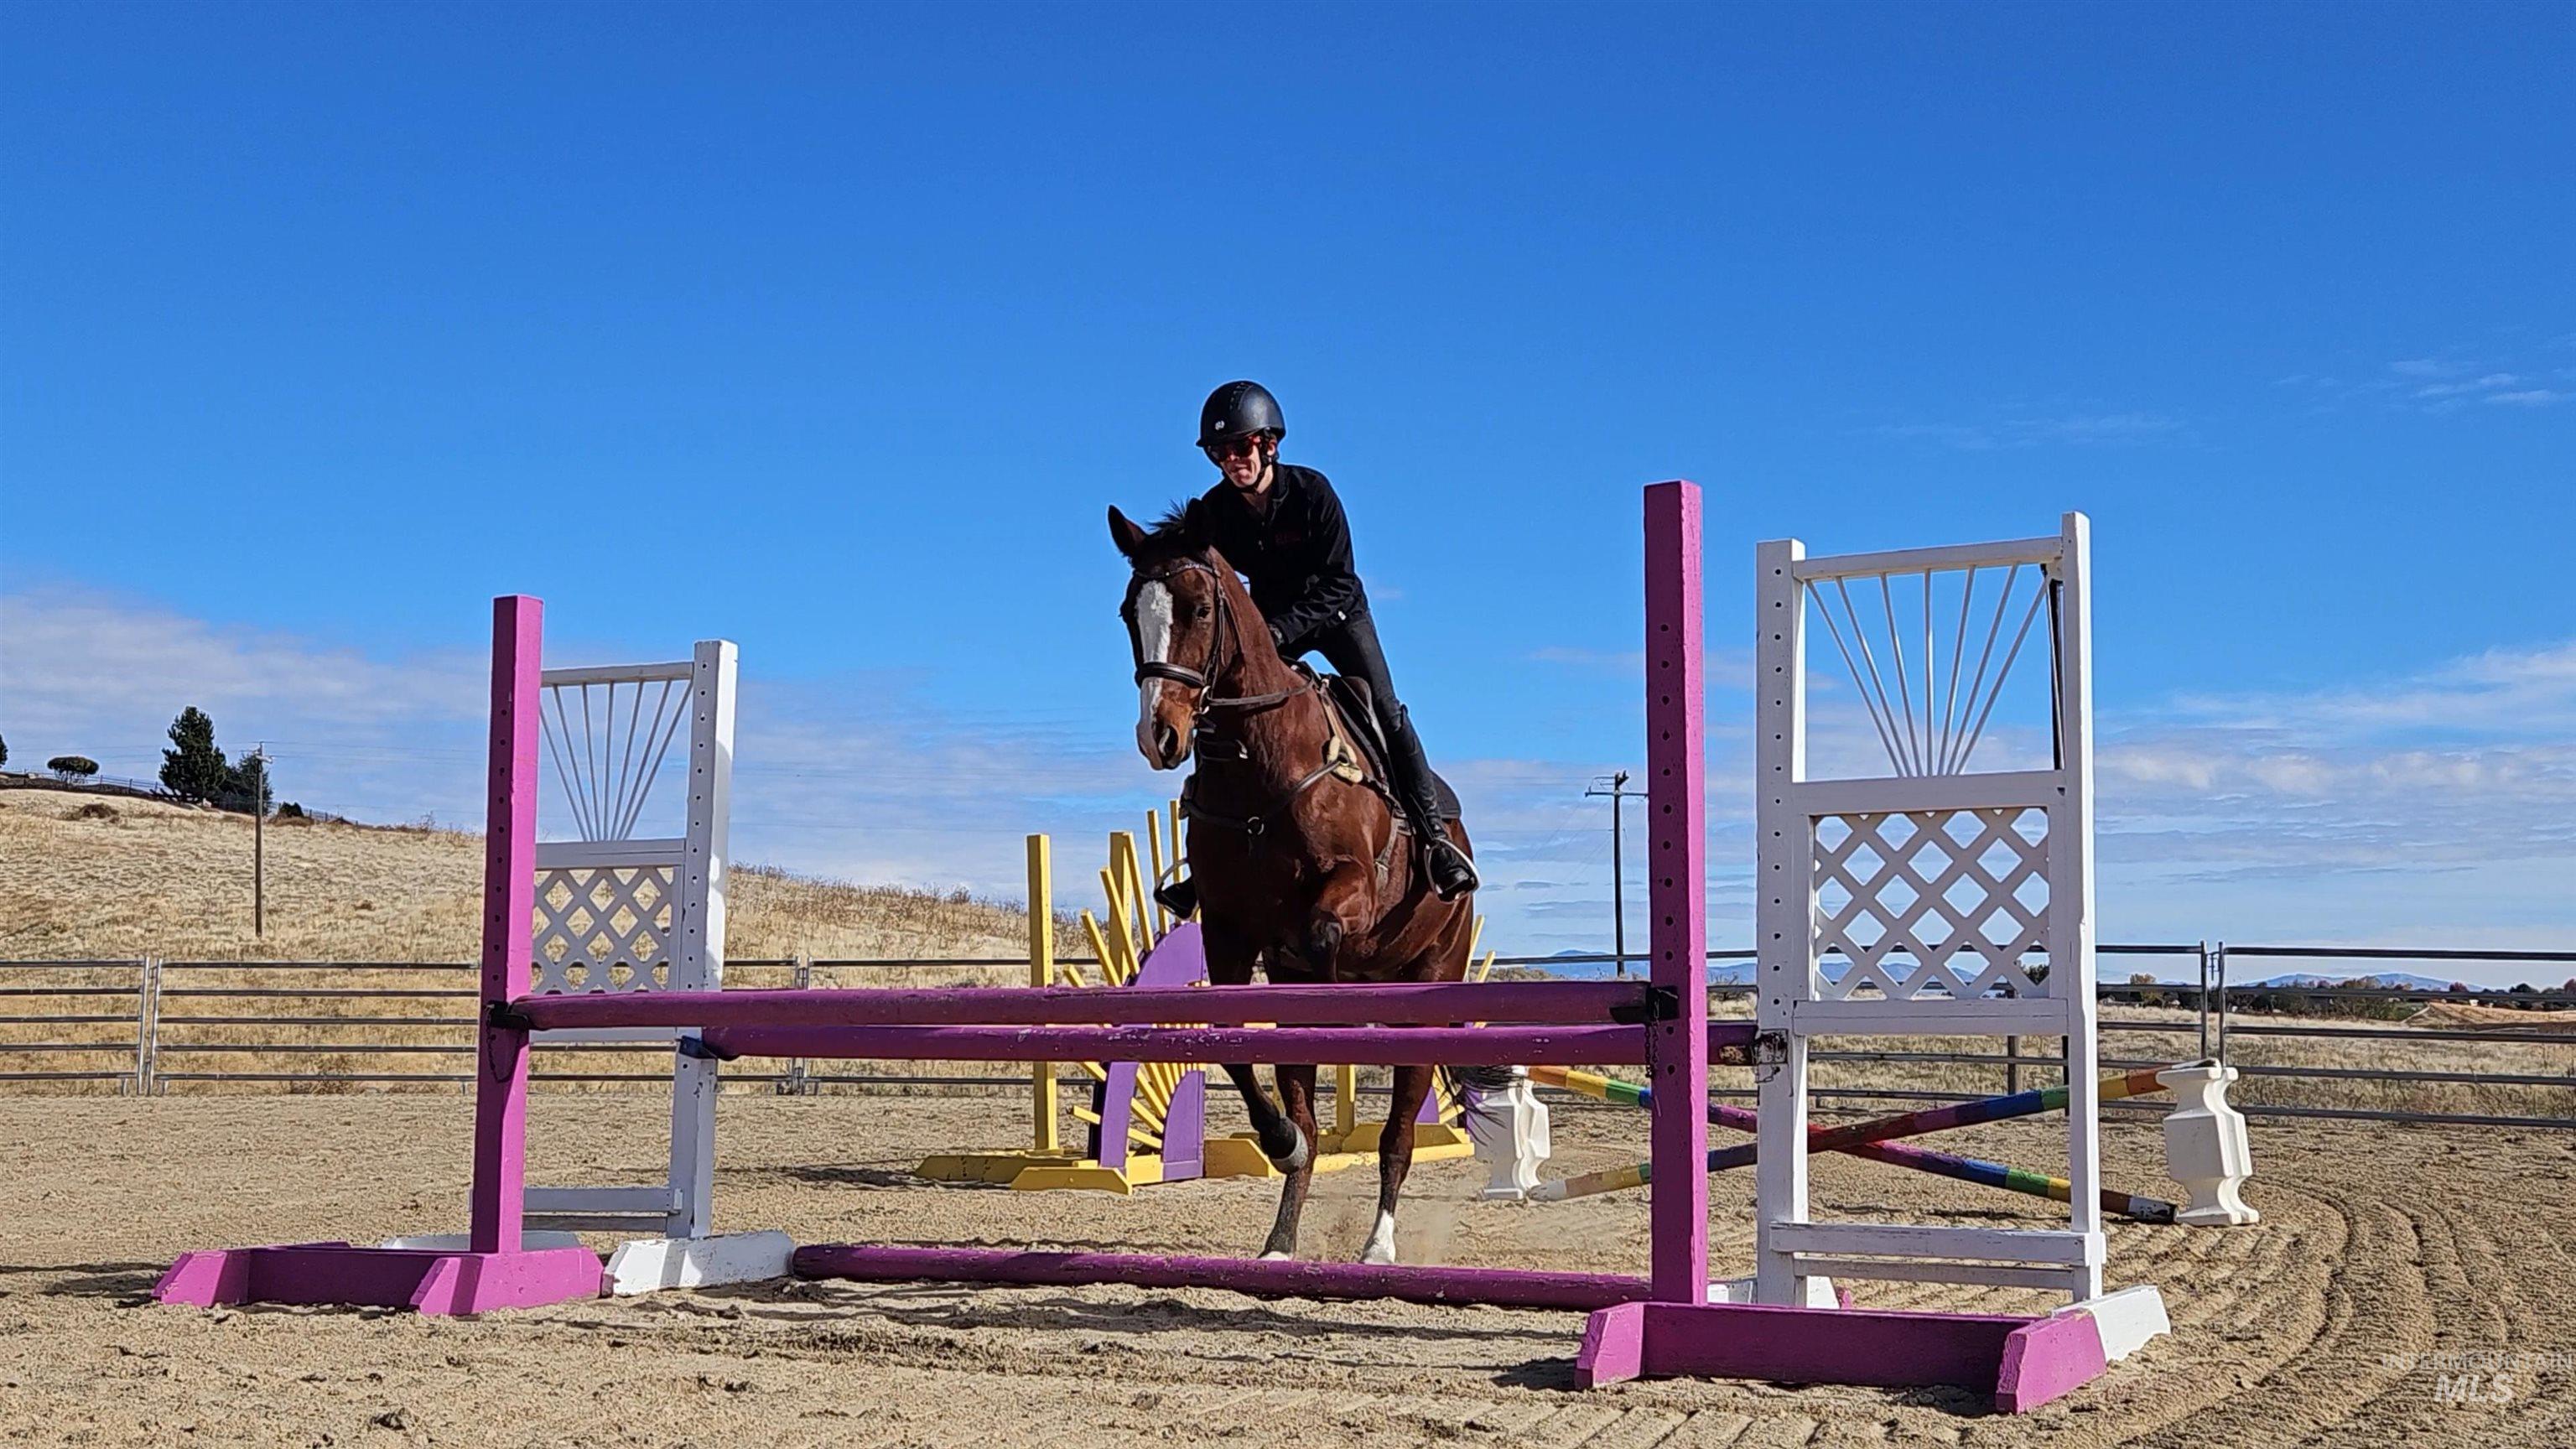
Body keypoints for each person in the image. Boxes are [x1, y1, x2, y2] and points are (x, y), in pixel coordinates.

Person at [1185, 379, 1480, 901]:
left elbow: (1342, 582)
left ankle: (1435, 839)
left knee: (1387, 711)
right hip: (1272, 623)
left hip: (1338, 615)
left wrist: (1279, 631)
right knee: (1220, 710)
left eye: (1241, 447)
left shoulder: (1313, 493)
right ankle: (1205, 863)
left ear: (1268, 444)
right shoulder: (1216, 509)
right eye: (1219, 452)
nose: (1231, 461)